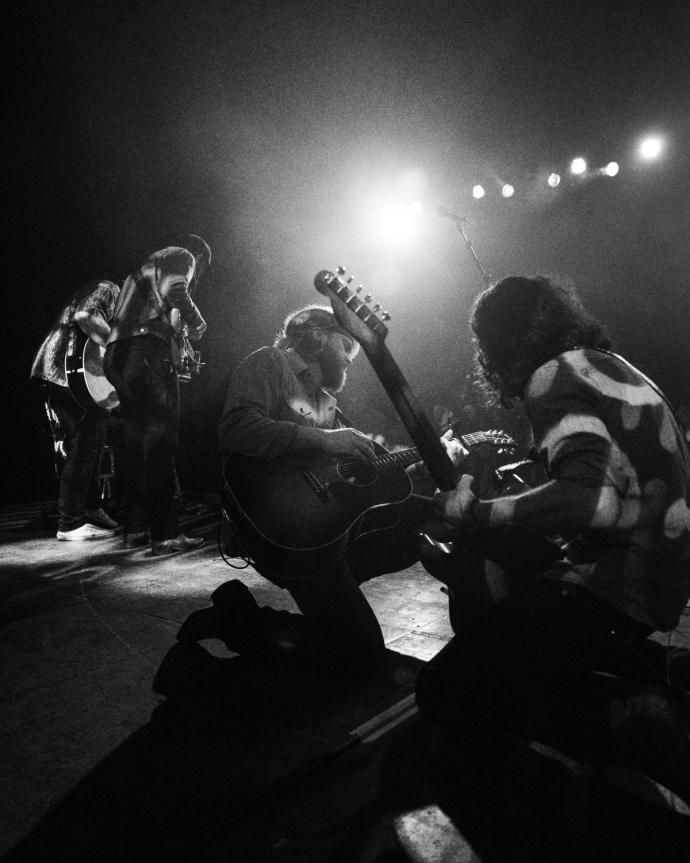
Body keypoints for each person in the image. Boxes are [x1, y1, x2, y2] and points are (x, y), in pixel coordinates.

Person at [416, 275, 690, 743]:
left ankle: (619, 716)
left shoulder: (552, 375)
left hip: (617, 589)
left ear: (498, 344)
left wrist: (477, 512)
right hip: (665, 581)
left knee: (441, 691)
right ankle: (656, 670)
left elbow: (592, 502)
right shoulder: (609, 365)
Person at [177, 305, 433, 676]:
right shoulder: (270, 363)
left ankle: (330, 603)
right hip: (283, 530)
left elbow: (353, 470)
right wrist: (325, 439)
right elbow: (235, 430)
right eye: (347, 347)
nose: (350, 359)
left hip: (324, 535)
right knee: (359, 652)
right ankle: (237, 619)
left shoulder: (328, 403)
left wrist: (408, 462)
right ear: (317, 334)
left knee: (422, 515)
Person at [103, 234, 210, 556]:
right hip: (146, 354)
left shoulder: (141, 269)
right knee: (161, 446)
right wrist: (197, 320)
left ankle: (135, 529)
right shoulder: (181, 255)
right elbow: (176, 290)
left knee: (137, 446)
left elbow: (156, 307)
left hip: (117, 357)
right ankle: (165, 534)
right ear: (200, 258)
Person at [30, 280, 121, 541]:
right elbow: (86, 315)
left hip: (65, 375)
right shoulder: (109, 288)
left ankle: (90, 509)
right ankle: (70, 523)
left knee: (94, 438)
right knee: (83, 445)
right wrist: (119, 352)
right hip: (62, 374)